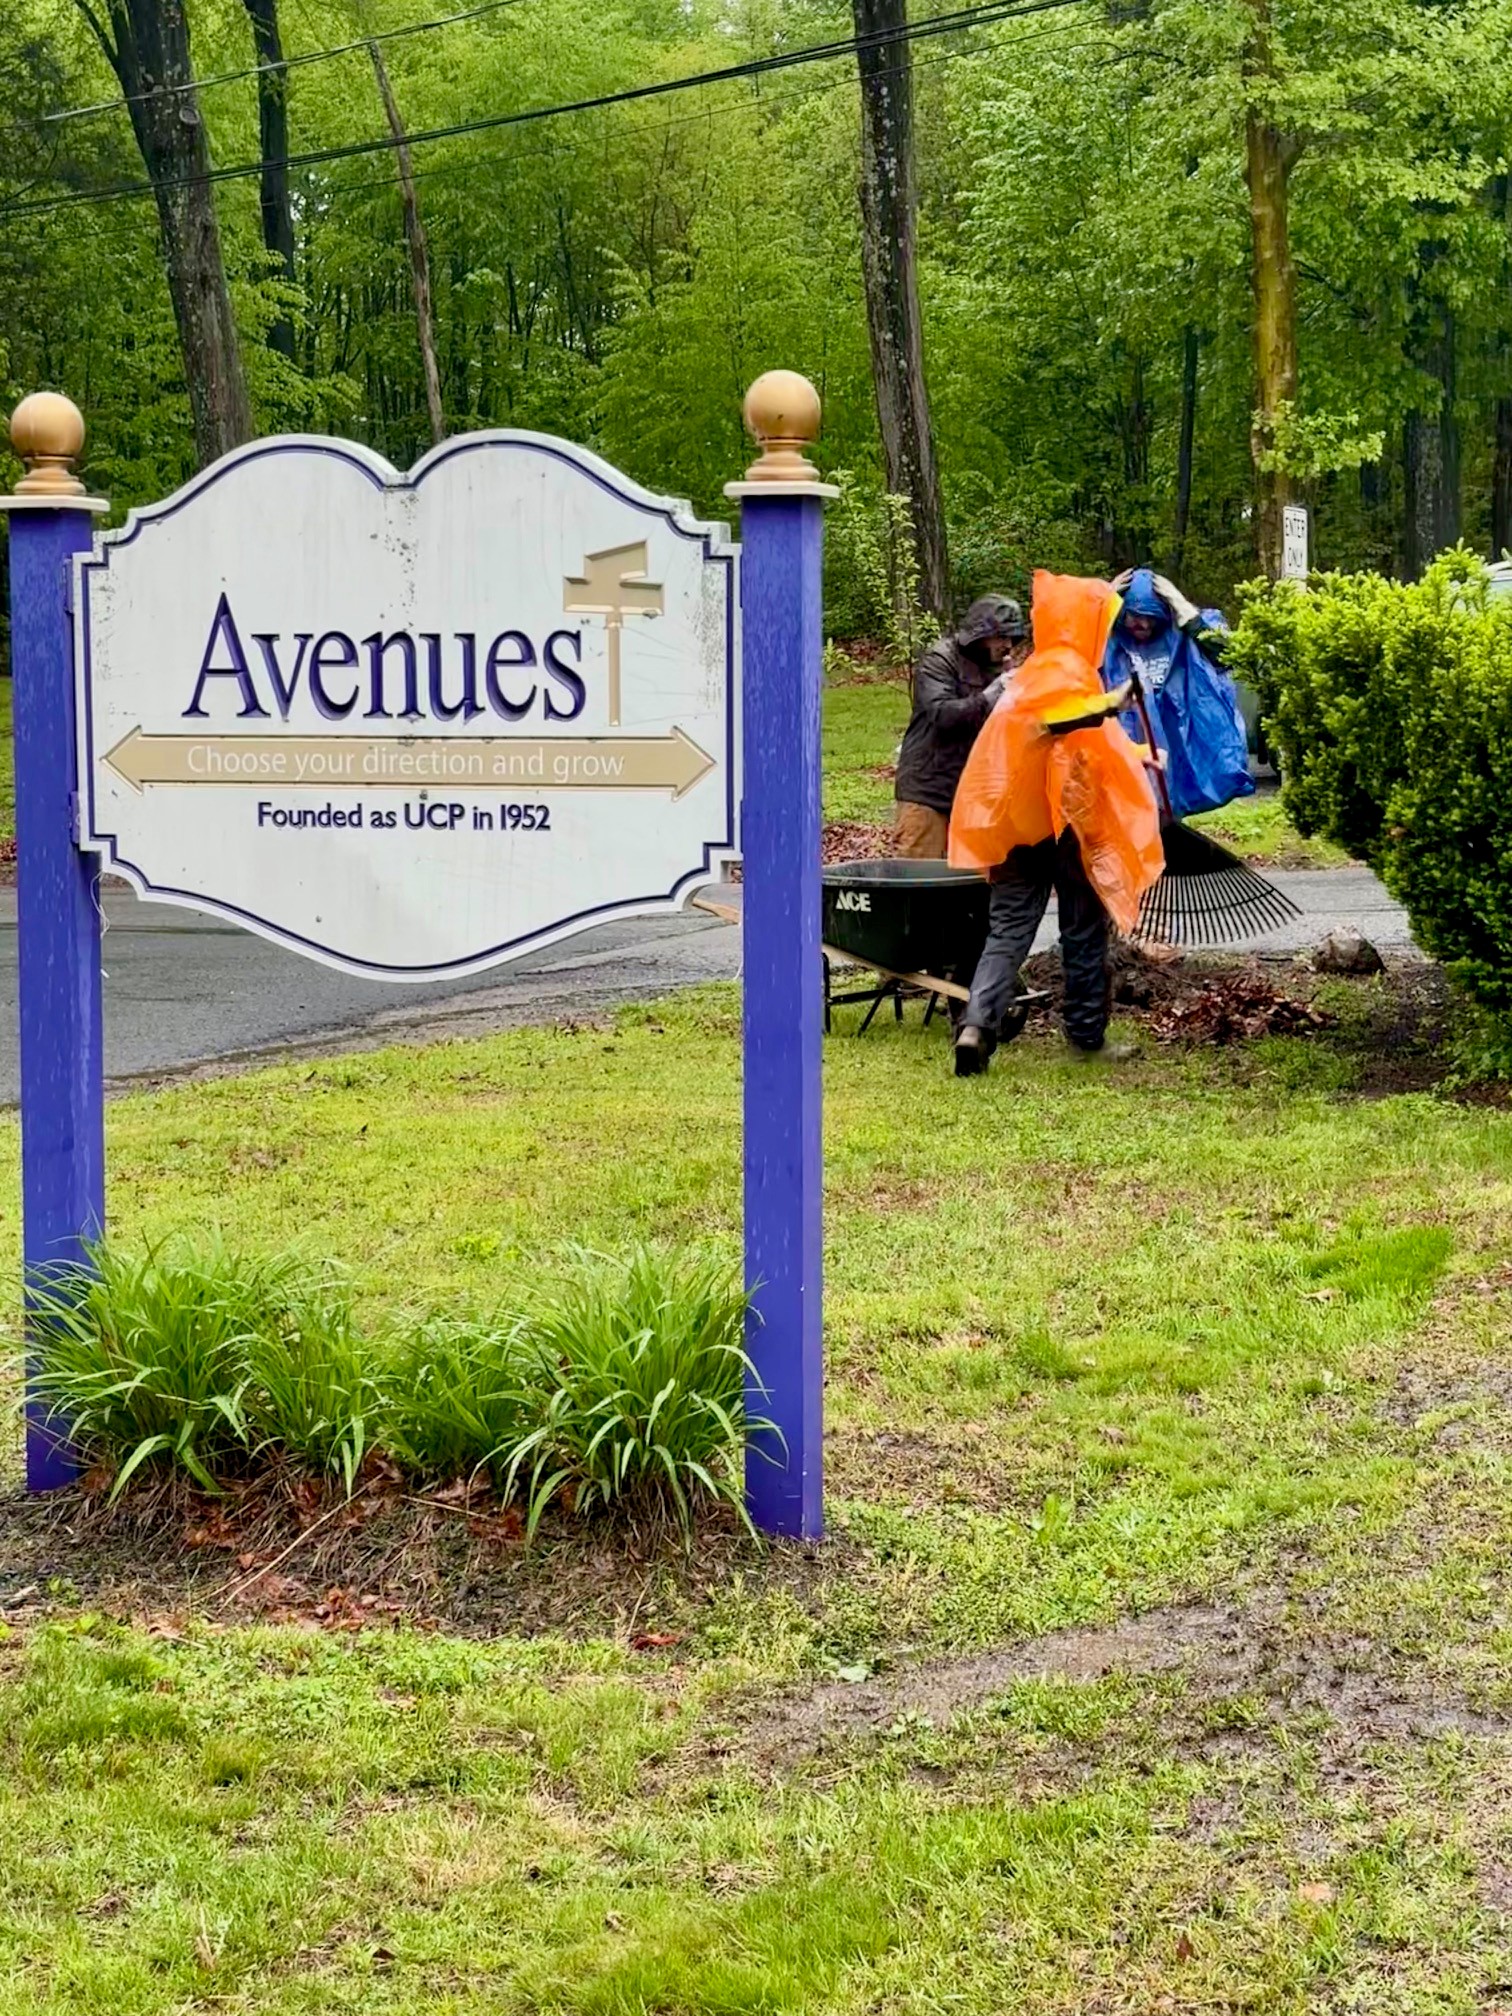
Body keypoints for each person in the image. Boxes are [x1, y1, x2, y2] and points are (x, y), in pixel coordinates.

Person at [948, 572, 1165, 1075]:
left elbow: (1080, 743)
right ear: (1084, 623)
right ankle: (1086, 1037)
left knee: (1007, 931)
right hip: (1065, 828)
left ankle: (976, 1026)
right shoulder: (1063, 670)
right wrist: (1111, 702)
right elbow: (1058, 722)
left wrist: (1137, 754)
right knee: (1083, 929)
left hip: (1015, 826)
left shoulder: (1032, 673)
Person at [1103, 569, 1253, 819]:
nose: (1144, 625)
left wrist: (1183, 609)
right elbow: (1074, 657)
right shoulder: (1109, 641)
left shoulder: (1179, 635)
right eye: (1136, 617)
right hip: (1126, 753)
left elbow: (1225, 656)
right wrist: (1101, 605)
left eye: (1152, 617)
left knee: (1161, 820)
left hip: (1173, 754)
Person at [891, 596, 1028, 858]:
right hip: (928, 791)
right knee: (919, 873)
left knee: (970, 876)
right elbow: (942, 714)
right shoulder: (940, 660)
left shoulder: (997, 667)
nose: (1008, 645)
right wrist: (991, 695)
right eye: (1001, 637)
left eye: (1012, 637)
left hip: (972, 794)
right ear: (980, 634)